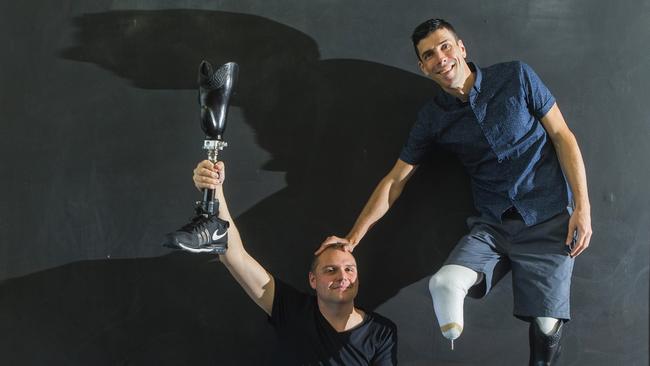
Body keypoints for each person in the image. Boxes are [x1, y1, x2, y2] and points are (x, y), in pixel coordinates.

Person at [318, 18, 592, 365]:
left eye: (445, 46)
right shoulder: (433, 117)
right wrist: (354, 237)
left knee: (547, 326)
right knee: (445, 283)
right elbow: (395, 180)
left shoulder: (516, 76)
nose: (440, 57)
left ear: (461, 47)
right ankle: (452, 325)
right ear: (423, 66)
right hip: (492, 227)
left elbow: (562, 136)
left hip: (548, 220)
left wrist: (582, 207)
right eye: (429, 54)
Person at [189, 160, 398, 366]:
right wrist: (215, 190)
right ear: (313, 280)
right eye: (331, 270)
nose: (343, 276)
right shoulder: (293, 310)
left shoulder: (381, 332)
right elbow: (234, 256)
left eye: (349, 269)